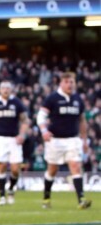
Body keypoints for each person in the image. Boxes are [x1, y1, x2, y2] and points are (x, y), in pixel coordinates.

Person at [37, 71, 92, 209]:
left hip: (73, 140)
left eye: (72, 82)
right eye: (67, 82)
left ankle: (81, 200)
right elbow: (41, 116)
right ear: (61, 83)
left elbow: (82, 121)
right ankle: (46, 198)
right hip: (55, 140)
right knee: (52, 170)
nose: (69, 84)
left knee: (76, 167)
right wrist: (44, 131)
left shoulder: (78, 99)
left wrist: (84, 140)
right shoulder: (52, 98)